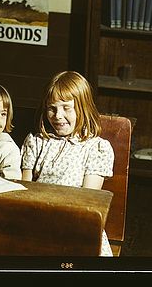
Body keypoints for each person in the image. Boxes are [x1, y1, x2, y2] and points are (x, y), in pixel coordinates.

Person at [21, 70, 115, 256]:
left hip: (76, 225)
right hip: (37, 222)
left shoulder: (95, 148)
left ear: (83, 108)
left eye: (66, 107)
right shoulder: (37, 142)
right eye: (52, 108)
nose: (57, 115)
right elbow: (25, 189)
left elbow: (89, 201)